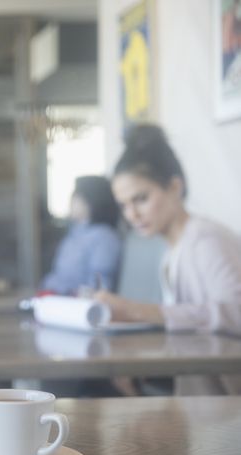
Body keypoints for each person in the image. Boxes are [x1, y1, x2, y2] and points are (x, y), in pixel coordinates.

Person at [94, 124, 241, 394]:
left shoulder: (206, 242)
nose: (132, 215)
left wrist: (137, 310)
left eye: (141, 199)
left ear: (175, 187)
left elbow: (236, 313)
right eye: (124, 205)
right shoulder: (173, 250)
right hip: (199, 406)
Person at [41, 175, 122, 295]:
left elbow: (99, 286)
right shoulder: (76, 232)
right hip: (54, 297)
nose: (70, 202)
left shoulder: (104, 237)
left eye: (76, 197)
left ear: (92, 201)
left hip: (73, 303)